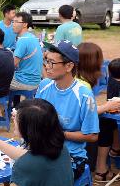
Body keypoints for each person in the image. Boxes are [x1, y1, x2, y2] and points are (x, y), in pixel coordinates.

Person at [35, 41, 99, 178]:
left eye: (52, 62)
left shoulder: (84, 95)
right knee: (13, 168)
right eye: (46, 61)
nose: (47, 67)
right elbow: (36, 117)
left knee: (38, 177)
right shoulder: (44, 85)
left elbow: (92, 135)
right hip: (42, 148)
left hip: (71, 156)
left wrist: (59, 134)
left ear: (69, 66)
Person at [75, 42, 120, 181]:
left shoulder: (76, 77)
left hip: (71, 123)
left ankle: (116, 149)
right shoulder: (83, 84)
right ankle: (102, 169)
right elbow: (86, 112)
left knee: (105, 119)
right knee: (105, 121)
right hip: (77, 128)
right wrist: (108, 106)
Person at [93, 58, 120, 181]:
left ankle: (116, 148)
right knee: (109, 126)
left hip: (105, 115)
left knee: (110, 122)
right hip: (107, 118)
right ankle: (101, 170)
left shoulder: (109, 82)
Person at [11, 12, 43, 92]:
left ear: (25, 24)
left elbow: (12, 64)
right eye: (13, 21)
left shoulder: (23, 40)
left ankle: (0, 104)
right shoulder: (31, 36)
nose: (13, 24)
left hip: (24, 81)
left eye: (16, 22)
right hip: (35, 80)